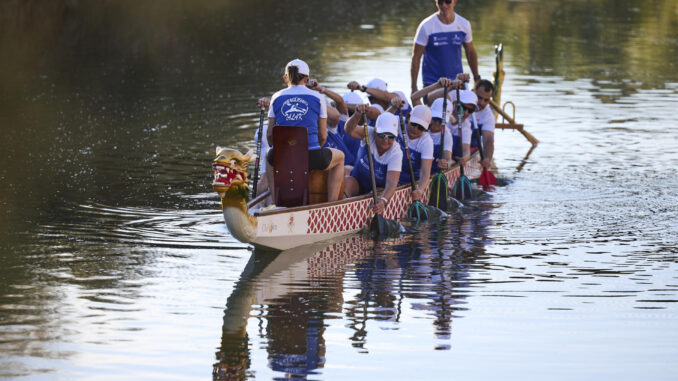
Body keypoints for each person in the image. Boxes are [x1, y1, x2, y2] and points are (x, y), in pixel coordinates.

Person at [266, 59, 344, 202]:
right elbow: (322, 135)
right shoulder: (318, 97)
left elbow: (270, 135)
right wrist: (313, 151)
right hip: (311, 155)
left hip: (282, 156)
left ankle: (275, 202)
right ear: (306, 79)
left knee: (268, 155)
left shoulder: (276, 97)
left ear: (286, 78)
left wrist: (278, 150)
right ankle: (332, 204)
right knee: (340, 158)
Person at [410, 0, 480, 94]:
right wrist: (414, 87)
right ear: (436, 2)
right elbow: (416, 58)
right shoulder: (426, 26)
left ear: (454, 1)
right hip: (433, 84)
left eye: (448, 1)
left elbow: (470, 53)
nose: (444, 5)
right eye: (440, 2)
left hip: (457, 83)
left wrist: (477, 79)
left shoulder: (464, 24)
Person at [343, 107, 403, 215]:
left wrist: (383, 201)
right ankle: (342, 212)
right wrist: (357, 115)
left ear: (396, 136)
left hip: (377, 190)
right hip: (358, 182)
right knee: (347, 181)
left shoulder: (396, 152)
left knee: (379, 192)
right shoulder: (368, 132)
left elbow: (391, 183)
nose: (386, 140)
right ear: (375, 131)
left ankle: (368, 211)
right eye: (381, 135)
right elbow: (348, 130)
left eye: (390, 137)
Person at [306, 79, 356, 176]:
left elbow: (337, 110)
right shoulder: (305, 126)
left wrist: (319, 90)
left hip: (347, 167)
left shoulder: (330, 125)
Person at [397, 104, 434, 201]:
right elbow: (382, 119)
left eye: (421, 128)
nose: (415, 129)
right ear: (408, 118)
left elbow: (425, 172)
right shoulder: (398, 122)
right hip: (388, 175)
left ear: (427, 128)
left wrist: (420, 190)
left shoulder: (427, 142)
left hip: (409, 182)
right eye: (413, 124)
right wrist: (393, 107)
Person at [449, 89, 478, 166]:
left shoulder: (466, 126)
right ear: (455, 104)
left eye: (470, 110)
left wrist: (465, 158)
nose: (466, 113)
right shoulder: (443, 116)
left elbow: (466, 150)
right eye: (464, 108)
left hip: (451, 160)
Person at [471, 79, 495, 169]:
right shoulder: (459, 102)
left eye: (486, 100)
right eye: (479, 98)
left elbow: (488, 139)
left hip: (471, 149)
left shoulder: (488, 116)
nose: (482, 103)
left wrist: (487, 159)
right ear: (473, 91)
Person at [428, 97, 454, 174]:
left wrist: (446, 164)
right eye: (435, 119)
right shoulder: (420, 126)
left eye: (441, 121)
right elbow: (414, 98)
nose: (437, 123)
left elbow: (449, 160)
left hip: (432, 171)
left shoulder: (447, 135)